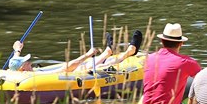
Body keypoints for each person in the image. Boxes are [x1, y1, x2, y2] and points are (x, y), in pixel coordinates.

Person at [141, 23, 201, 104]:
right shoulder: (186, 62)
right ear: (181, 43)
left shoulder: (148, 59)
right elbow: (206, 83)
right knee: (194, 93)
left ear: (162, 41)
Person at [8, 30, 143, 72]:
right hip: (71, 74)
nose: (29, 62)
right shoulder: (33, 78)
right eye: (26, 63)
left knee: (89, 64)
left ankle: (108, 52)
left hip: (74, 72)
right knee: (97, 65)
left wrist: (17, 51)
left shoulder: (15, 71)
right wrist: (87, 54)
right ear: (22, 69)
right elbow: (68, 67)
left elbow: (13, 65)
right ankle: (129, 52)